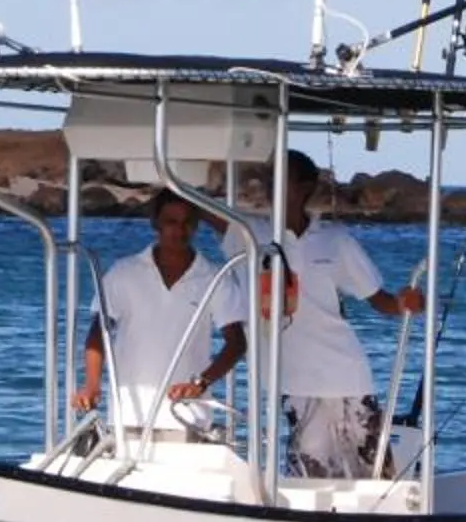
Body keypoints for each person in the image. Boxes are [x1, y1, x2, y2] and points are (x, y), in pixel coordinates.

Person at [249, 150, 425, 477]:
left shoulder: (334, 240)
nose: (273, 187)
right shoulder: (251, 235)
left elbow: (380, 301)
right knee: (309, 475)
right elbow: (205, 214)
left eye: (282, 179)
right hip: (296, 382)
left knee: (374, 473)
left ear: (305, 187)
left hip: (346, 375)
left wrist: (409, 302)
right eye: (270, 179)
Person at [70, 193, 247, 432]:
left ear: (196, 225)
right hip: (128, 415)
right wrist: (92, 385)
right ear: (156, 223)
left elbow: (236, 344)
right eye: (171, 222)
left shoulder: (215, 277)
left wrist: (200, 383)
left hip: (188, 416)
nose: (180, 230)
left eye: (187, 222)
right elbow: (98, 332)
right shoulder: (124, 272)